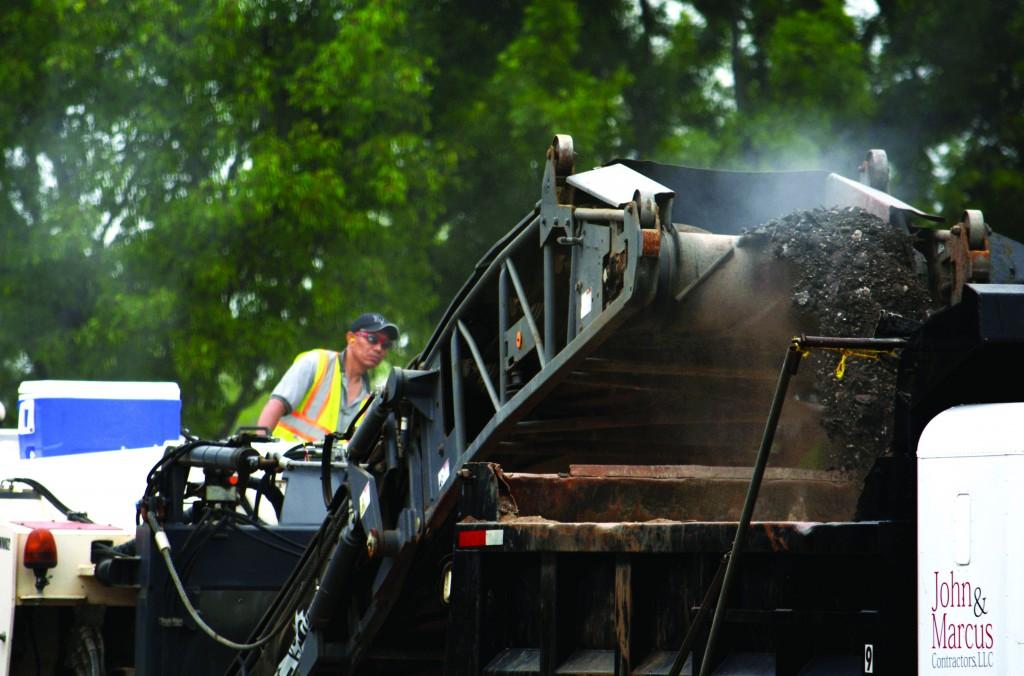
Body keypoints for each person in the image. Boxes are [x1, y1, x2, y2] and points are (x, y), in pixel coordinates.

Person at [257, 312, 399, 443]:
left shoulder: (371, 401)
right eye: (372, 339)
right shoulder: (316, 362)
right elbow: (276, 405)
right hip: (283, 466)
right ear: (351, 338)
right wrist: (256, 450)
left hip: (329, 471)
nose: (379, 348)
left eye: (386, 345)